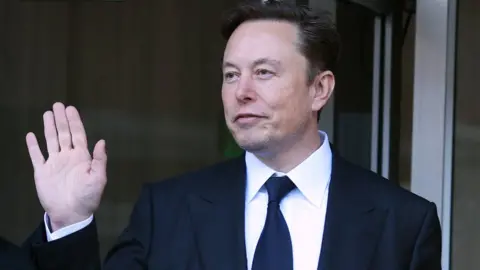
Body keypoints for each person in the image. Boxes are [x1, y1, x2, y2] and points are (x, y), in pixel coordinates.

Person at [23, 1, 442, 269]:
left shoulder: (403, 222)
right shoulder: (167, 210)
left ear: (320, 89)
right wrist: (70, 222)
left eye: (263, 72)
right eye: (230, 74)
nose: (241, 91)